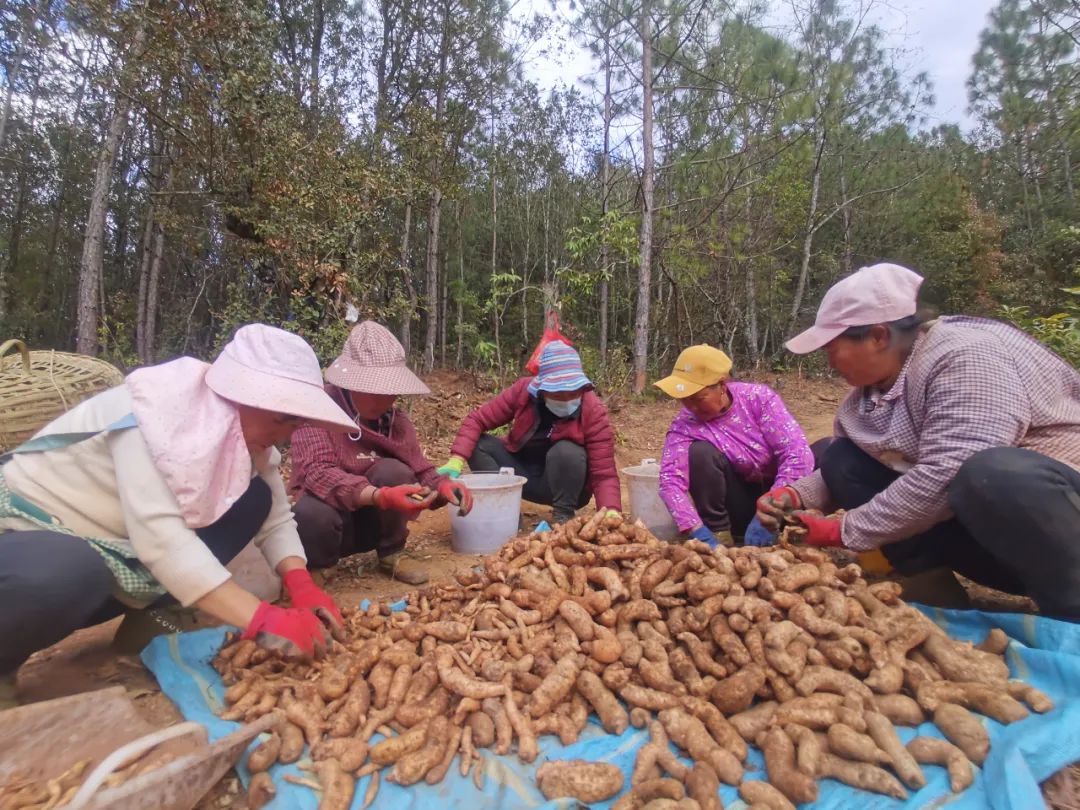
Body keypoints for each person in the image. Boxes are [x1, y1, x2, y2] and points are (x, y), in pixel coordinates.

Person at [0, 324, 352, 702]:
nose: (285, 434)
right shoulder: (153, 415)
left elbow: (276, 517)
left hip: (122, 544)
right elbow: (164, 543)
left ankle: (153, 616)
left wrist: (300, 583)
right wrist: (262, 620)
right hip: (31, 534)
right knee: (65, 573)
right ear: (242, 395)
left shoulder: (241, 434)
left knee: (254, 500)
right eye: (283, 419)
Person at [756, 262, 1080, 619]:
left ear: (878, 336)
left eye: (832, 348)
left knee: (992, 472)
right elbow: (868, 462)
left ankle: (1072, 611)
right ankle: (932, 586)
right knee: (839, 457)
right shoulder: (872, 392)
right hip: (993, 535)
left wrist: (842, 531)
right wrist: (795, 494)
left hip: (1058, 526)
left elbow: (950, 469)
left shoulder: (965, 355)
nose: (829, 361)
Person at [289, 322, 472, 586]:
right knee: (310, 511)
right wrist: (381, 496)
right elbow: (318, 475)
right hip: (330, 526)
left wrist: (443, 487)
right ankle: (319, 567)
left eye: (389, 390)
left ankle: (391, 552)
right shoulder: (317, 410)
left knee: (395, 471)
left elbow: (419, 469)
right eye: (373, 389)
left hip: (372, 522)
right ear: (350, 382)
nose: (383, 399)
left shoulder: (395, 422)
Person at [438, 341, 621, 524]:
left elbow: (604, 473)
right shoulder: (523, 392)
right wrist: (456, 459)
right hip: (520, 475)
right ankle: (506, 512)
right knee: (479, 444)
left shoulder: (593, 411)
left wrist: (611, 511)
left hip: (568, 485)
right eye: (557, 395)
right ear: (542, 390)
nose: (566, 399)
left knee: (568, 451)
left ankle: (563, 515)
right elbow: (477, 420)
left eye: (573, 393)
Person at [654, 345, 813, 548]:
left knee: (827, 451)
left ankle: (808, 531)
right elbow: (670, 481)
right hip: (740, 500)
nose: (691, 406)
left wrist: (772, 509)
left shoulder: (758, 398)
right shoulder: (684, 425)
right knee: (700, 454)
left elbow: (796, 454)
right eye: (684, 400)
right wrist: (694, 528)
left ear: (721, 385)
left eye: (697, 398)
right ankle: (721, 536)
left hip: (782, 499)